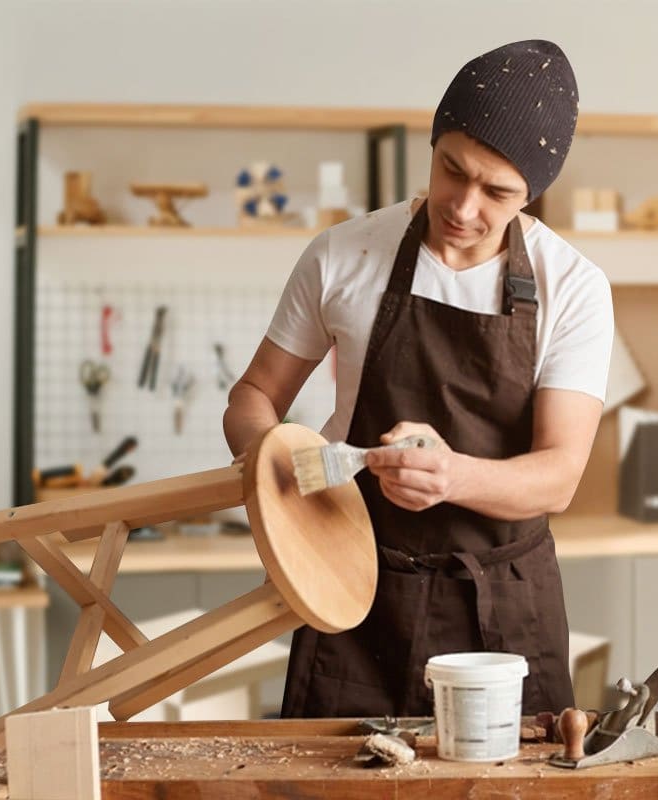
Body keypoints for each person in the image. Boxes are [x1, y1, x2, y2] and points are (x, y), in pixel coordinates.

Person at [223, 39, 613, 718]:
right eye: (450, 170)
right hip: (353, 587)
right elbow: (253, 397)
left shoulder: (572, 287)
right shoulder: (345, 255)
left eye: (497, 192)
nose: (463, 206)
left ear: (534, 193)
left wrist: (453, 477)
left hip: (503, 607)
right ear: (432, 148)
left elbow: (560, 474)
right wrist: (276, 470)